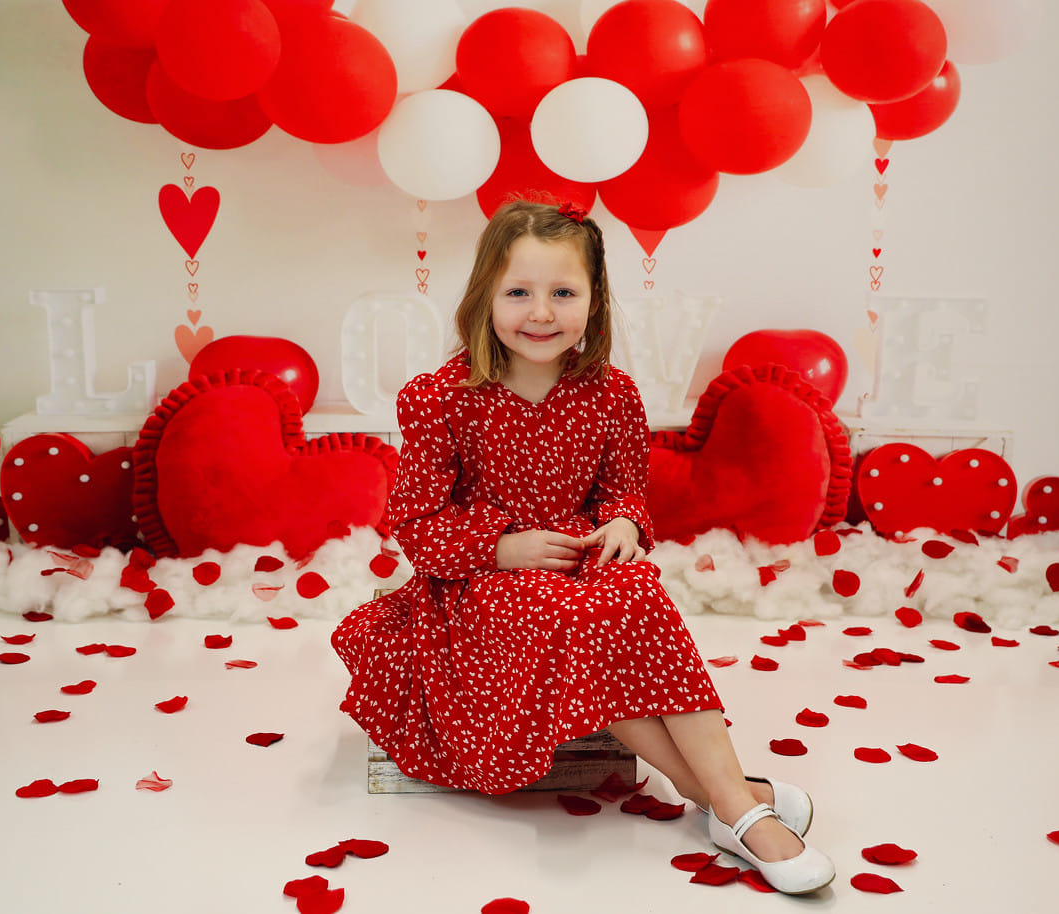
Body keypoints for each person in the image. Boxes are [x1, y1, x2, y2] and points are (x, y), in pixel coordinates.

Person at [332, 200, 834, 895]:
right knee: (581, 623)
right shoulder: (441, 397)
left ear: (594, 305)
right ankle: (738, 804)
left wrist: (624, 525)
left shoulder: (612, 395)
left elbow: (623, 492)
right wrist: (501, 547)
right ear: (485, 297)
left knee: (641, 598)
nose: (541, 312)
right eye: (519, 292)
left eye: (563, 293)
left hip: (582, 564)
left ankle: (730, 804)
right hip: (482, 586)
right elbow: (417, 523)